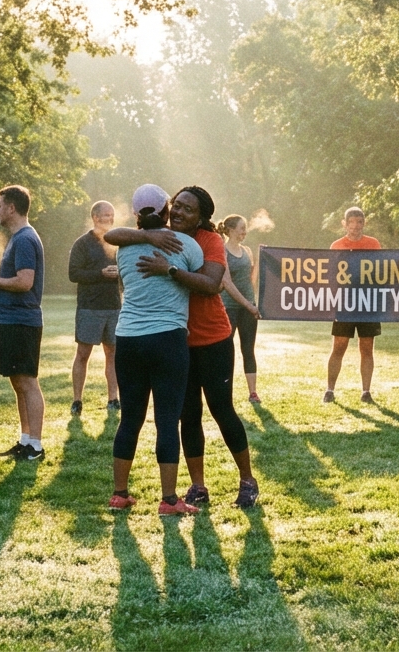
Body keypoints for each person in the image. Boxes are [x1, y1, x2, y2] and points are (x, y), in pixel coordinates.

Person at [108, 188, 260, 508]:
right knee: (187, 416)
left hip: (212, 338)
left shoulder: (209, 241)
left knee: (221, 410)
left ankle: (247, 480)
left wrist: (171, 270)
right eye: (176, 205)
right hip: (178, 342)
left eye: (188, 209)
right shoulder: (157, 235)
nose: (179, 212)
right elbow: (115, 234)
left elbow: (211, 284)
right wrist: (148, 239)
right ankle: (198, 487)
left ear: (201, 217)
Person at [105, 184, 205, 515]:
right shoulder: (187, 245)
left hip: (129, 339)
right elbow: (203, 282)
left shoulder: (123, 249)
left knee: (129, 419)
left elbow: (121, 275)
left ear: (135, 215)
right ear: (166, 209)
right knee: (166, 421)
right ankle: (169, 500)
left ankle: (120, 494)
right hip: (168, 339)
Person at [0, 185, 47, 461]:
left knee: (27, 382)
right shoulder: (18, 238)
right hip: (11, 320)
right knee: (18, 382)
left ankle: (36, 447)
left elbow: (25, 282)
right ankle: (26, 440)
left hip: (22, 321)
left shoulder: (25, 239)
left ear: (11, 208)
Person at [67, 200, 121, 416]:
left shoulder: (118, 243)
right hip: (89, 307)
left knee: (113, 354)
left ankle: (113, 399)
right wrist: (101, 274)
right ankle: (77, 400)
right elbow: (74, 274)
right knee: (82, 354)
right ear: (95, 217)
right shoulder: (82, 244)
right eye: (106, 215)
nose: (110, 218)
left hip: (114, 306)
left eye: (112, 215)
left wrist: (120, 273)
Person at [326, 206, 383, 404]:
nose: (355, 226)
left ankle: (366, 391)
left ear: (363, 223)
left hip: (368, 303)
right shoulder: (336, 246)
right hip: (344, 303)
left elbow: (382, 272)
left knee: (366, 347)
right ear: (345, 223)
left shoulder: (373, 244)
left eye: (359, 222)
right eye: (351, 222)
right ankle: (330, 390)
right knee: (339, 346)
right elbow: (330, 275)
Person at [218, 214, 261, 403]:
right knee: (226, 351)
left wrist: (254, 302)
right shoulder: (222, 252)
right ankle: (225, 393)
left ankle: (253, 393)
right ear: (231, 230)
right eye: (241, 228)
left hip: (249, 308)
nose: (244, 232)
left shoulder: (247, 251)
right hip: (229, 307)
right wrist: (247, 303)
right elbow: (227, 283)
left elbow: (251, 279)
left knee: (248, 349)